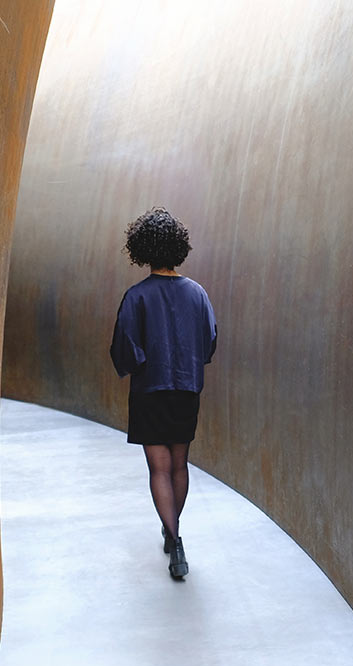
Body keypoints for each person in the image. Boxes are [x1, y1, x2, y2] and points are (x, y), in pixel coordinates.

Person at [110, 208, 217, 579]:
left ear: (142, 249)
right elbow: (209, 341)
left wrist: (139, 364)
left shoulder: (136, 296)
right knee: (179, 465)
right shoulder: (198, 294)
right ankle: (173, 534)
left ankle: (174, 537)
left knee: (158, 468)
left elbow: (125, 347)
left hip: (150, 391)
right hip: (186, 389)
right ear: (178, 247)